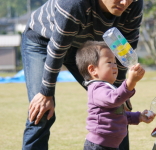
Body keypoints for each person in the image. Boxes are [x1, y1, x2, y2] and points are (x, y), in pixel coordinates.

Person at [20, 0, 143, 149]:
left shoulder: (133, 4)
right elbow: (57, 49)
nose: (125, 2)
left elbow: (123, 53)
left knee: (118, 108)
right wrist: (46, 93)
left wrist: (121, 93)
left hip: (84, 48)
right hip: (43, 41)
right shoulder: (74, 3)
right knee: (42, 109)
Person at [75, 40, 155, 150]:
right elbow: (114, 99)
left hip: (111, 146)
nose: (114, 66)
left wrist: (139, 117)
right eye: (109, 62)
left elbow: (118, 114)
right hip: (98, 146)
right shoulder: (96, 89)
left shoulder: (108, 87)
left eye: (115, 62)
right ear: (92, 69)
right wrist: (130, 82)